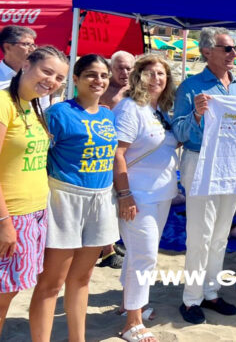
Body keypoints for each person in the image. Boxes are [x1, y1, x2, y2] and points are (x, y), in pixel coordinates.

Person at [30, 54, 119, 342]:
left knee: (81, 280)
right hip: (65, 200)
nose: (99, 81)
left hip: (100, 200)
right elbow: (39, 157)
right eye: (91, 75)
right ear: (76, 79)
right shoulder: (58, 114)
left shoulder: (108, 115)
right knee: (51, 283)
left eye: (104, 75)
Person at [172, 27, 236, 324]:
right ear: (207, 52)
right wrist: (195, 115)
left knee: (220, 234)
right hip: (201, 160)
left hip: (232, 163)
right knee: (200, 235)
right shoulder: (192, 87)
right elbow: (178, 132)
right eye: (228, 48)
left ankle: (211, 291)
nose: (234, 53)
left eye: (235, 48)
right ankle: (191, 299)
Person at [0, 46, 67, 338]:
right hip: (10, 215)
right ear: (26, 64)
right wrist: (4, 223)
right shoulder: (4, 102)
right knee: (2, 296)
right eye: (47, 71)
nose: (51, 80)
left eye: (59, 77)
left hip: (34, 215)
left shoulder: (33, 105)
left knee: (9, 292)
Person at [112, 54, 179, 342]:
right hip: (137, 195)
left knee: (138, 255)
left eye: (162, 74)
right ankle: (132, 323)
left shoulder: (160, 110)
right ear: (138, 76)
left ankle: (132, 305)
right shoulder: (130, 108)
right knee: (145, 256)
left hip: (161, 194)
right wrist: (125, 194)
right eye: (150, 73)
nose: (156, 79)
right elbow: (118, 153)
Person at [97, 50, 135, 270]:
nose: (124, 72)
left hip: (128, 156)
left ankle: (111, 242)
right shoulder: (103, 89)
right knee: (106, 202)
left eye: (129, 68)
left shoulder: (134, 90)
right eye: (120, 67)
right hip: (105, 154)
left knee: (119, 204)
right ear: (111, 68)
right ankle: (106, 250)